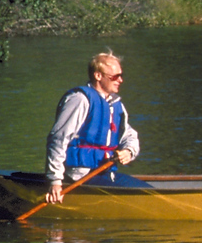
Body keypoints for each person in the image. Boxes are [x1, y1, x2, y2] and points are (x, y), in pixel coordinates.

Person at [45, 51, 140, 203]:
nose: (120, 80)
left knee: (147, 190)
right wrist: (55, 181)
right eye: (115, 77)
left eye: (121, 75)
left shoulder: (116, 105)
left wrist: (129, 151)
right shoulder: (79, 100)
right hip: (79, 177)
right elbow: (58, 139)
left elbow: (130, 136)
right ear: (98, 76)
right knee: (138, 195)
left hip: (106, 173)